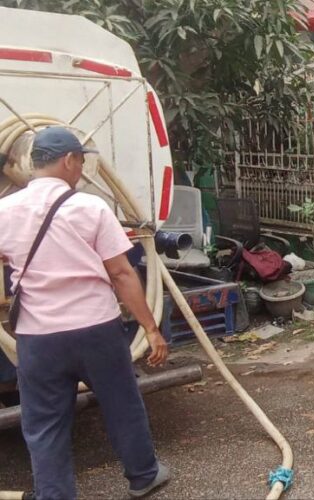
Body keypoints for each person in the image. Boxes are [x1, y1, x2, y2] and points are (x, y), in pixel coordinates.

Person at [0, 127, 171, 499]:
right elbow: (122, 273)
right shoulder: (91, 207)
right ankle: (144, 476)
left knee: (44, 424)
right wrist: (151, 328)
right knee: (121, 403)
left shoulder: (4, 211)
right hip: (95, 330)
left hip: (38, 336)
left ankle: (55, 495)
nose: (81, 168)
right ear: (68, 160)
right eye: (80, 160)